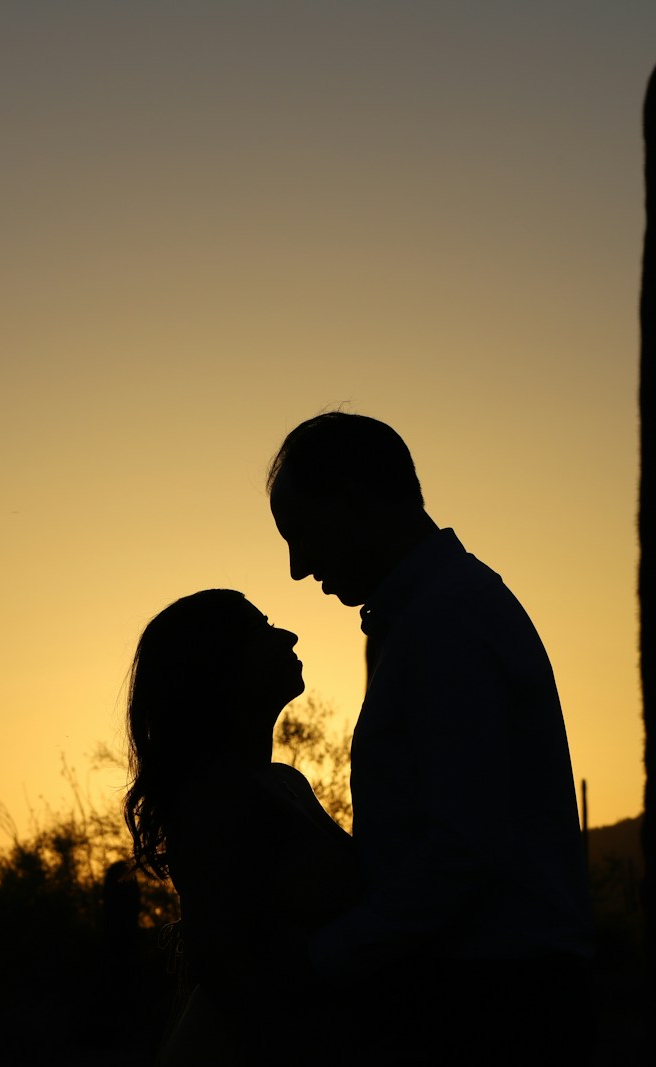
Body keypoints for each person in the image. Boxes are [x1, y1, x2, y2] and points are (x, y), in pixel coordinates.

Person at [267, 411, 595, 1063]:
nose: (299, 568)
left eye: (303, 534)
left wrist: (325, 956)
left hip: (493, 996)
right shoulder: (429, 614)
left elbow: (464, 846)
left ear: (357, 503)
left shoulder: (446, 622)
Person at [124, 589, 363, 1065]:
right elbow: (229, 972)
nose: (288, 635)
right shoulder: (215, 800)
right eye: (262, 629)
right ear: (221, 668)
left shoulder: (285, 783)